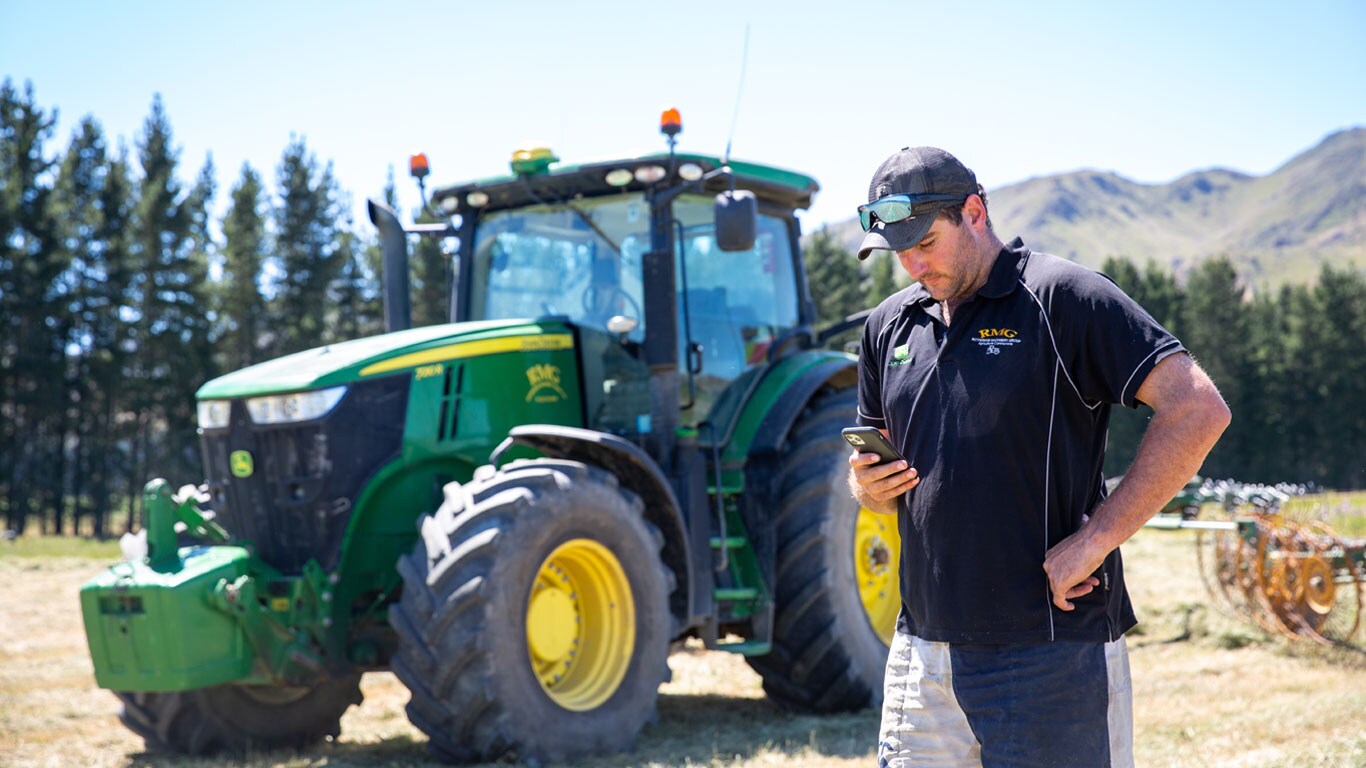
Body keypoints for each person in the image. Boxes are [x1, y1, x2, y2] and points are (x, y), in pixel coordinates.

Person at [847, 147, 1230, 768]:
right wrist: (867, 485)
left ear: (975, 212)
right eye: (899, 251)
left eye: (926, 243)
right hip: (923, 654)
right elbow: (869, 483)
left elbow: (1197, 409)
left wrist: (1098, 538)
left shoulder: (1065, 298)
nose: (913, 265)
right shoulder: (888, 327)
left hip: (1051, 653)